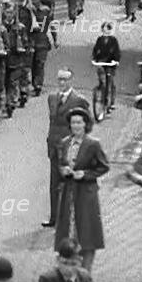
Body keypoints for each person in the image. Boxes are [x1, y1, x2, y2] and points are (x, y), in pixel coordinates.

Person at [55, 108, 109, 272]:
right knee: (69, 232)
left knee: (86, 233)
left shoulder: (93, 144)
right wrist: (63, 170)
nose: (76, 126)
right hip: (69, 193)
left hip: (86, 194)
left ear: (86, 124)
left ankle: (86, 273)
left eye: (79, 122)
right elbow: (61, 163)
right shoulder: (65, 143)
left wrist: (85, 174)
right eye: (73, 122)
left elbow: (104, 166)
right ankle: (70, 271)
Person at [44, 69, 90, 228]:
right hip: (54, 146)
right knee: (54, 183)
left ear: (71, 81)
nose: (62, 83)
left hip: (69, 148)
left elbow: (86, 123)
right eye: (59, 80)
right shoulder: (51, 98)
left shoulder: (79, 100)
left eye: (65, 80)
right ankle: (54, 217)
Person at [91, 21, 121, 109]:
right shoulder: (99, 40)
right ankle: (101, 90)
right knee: (101, 79)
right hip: (101, 63)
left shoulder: (114, 40)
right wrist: (94, 59)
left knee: (110, 82)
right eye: (103, 31)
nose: (105, 33)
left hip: (110, 64)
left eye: (107, 31)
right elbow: (95, 50)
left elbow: (117, 52)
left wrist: (116, 61)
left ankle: (111, 102)